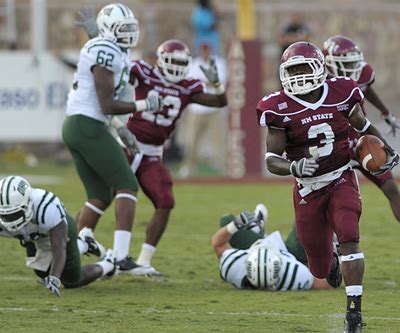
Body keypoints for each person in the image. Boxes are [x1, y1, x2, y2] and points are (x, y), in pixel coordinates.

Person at [256, 42, 400, 333]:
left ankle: (354, 314)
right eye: (291, 71)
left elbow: (363, 125)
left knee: (350, 234)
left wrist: (385, 148)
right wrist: (293, 169)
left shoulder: (341, 91)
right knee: (319, 269)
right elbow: (271, 159)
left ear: (319, 68)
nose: (296, 77)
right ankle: (332, 260)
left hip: (341, 177)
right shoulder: (278, 106)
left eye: (302, 69)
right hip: (307, 189)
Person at [63, 3, 163, 274]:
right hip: (88, 126)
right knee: (127, 185)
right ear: (110, 30)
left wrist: (120, 127)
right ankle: (120, 258)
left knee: (99, 196)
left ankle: (63, 254)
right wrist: (145, 106)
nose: (129, 34)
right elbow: (106, 103)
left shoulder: (108, 47)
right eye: (123, 29)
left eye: (131, 28)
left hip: (79, 125)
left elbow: (102, 105)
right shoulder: (106, 50)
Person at [322, 35, 400, 267]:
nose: (353, 67)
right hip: (334, 145)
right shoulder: (320, 81)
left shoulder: (361, 73)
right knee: (330, 199)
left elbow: (367, 88)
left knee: (391, 186)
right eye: (345, 61)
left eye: (354, 61)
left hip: (362, 142)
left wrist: (385, 112)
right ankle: (331, 248)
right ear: (328, 62)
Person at [121, 39, 227, 275]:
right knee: (109, 195)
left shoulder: (189, 86)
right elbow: (115, 78)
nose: (177, 67)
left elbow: (220, 101)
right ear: (161, 61)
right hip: (128, 144)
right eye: (173, 61)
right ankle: (97, 245)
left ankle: (143, 261)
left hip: (153, 153)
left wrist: (217, 83)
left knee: (165, 200)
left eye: (181, 62)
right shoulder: (144, 73)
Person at [0, 176, 116, 297]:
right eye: (5, 215)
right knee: (42, 273)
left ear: (28, 204)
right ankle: (85, 243)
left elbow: (59, 247)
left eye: (15, 213)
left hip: (58, 232)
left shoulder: (47, 207)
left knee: (71, 280)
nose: (11, 220)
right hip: (32, 236)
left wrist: (55, 278)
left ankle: (109, 263)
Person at [212, 206, 342, 291]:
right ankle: (330, 237)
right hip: (292, 255)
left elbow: (218, 244)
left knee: (226, 220)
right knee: (307, 218)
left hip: (255, 246)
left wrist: (235, 225)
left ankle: (257, 230)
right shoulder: (292, 274)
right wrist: (337, 258)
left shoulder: (233, 267)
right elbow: (329, 284)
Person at [178, 42, 228, 177]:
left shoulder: (219, 62)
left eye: (207, 50)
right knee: (192, 140)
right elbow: (191, 84)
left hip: (214, 109)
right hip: (197, 109)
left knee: (219, 140)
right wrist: (208, 82)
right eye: (203, 50)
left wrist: (205, 82)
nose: (205, 52)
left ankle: (222, 167)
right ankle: (188, 166)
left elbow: (221, 82)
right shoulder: (194, 64)